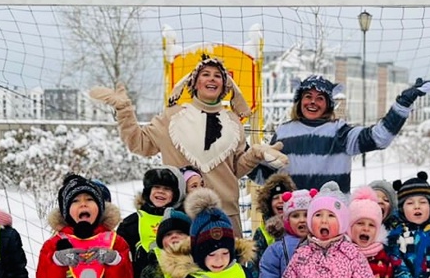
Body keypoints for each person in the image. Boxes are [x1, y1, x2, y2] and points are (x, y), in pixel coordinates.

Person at [89, 54, 286, 231]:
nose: (211, 79)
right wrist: (124, 110)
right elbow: (139, 143)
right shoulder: (172, 118)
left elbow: (235, 170)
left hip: (225, 212)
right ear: (194, 83)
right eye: (205, 74)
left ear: (225, 85)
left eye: (217, 75)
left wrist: (256, 153)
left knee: (227, 268)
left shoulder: (234, 122)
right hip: (181, 212)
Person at [254, 74, 430, 193]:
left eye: (320, 98)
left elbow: (380, 137)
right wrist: (243, 154)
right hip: (293, 222)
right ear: (299, 101)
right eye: (308, 96)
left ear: (329, 105)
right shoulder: (284, 132)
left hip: (332, 223)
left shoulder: (340, 132)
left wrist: (403, 103)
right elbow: (268, 178)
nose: (312, 102)